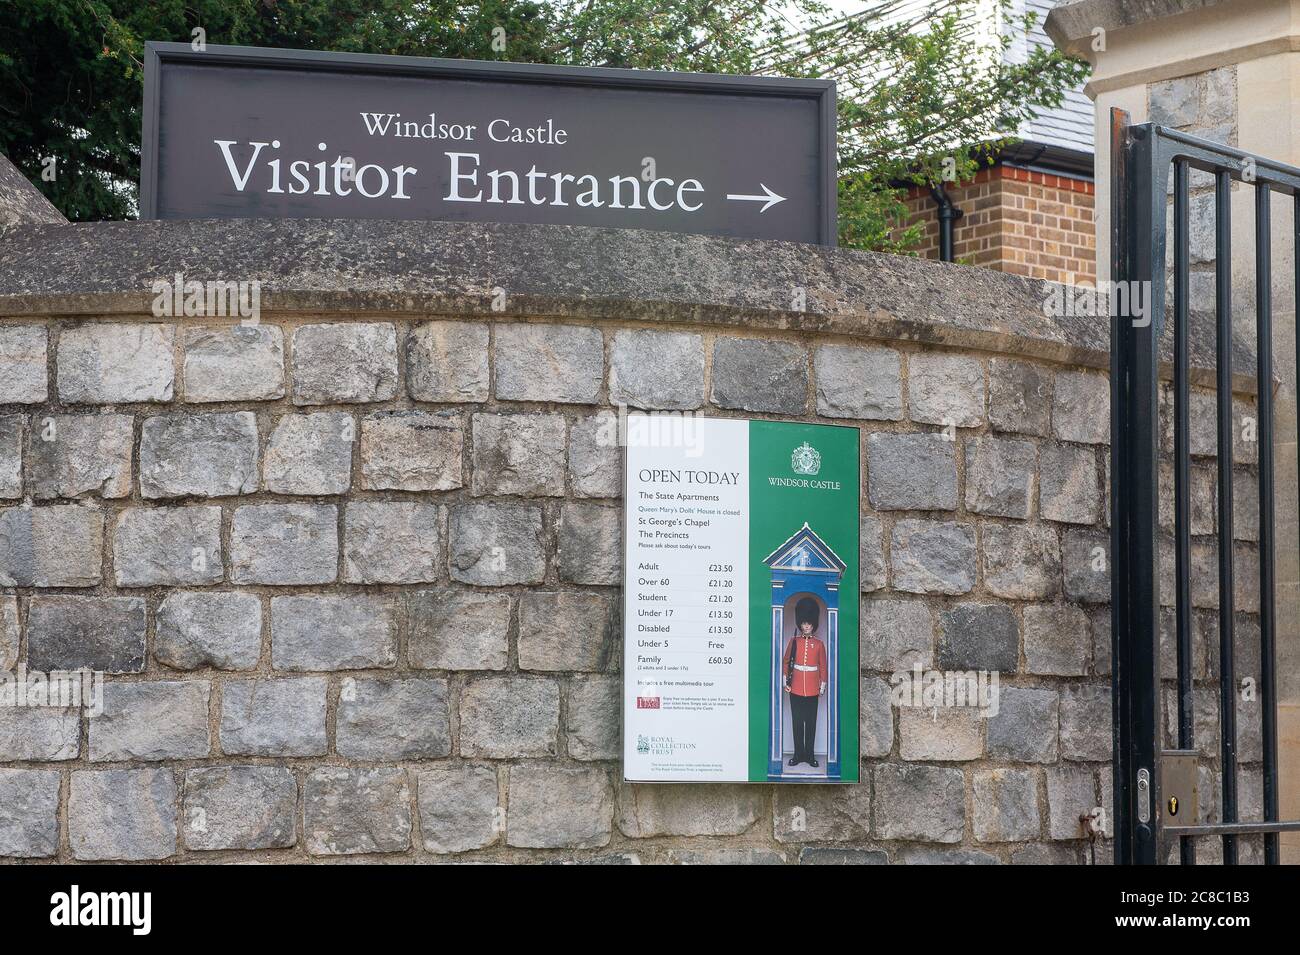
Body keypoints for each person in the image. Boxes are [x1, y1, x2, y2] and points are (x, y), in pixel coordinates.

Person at [782, 597, 827, 768]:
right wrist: (785, 681)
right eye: (804, 623)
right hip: (795, 688)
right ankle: (798, 754)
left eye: (809, 623)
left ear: (813, 624)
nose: (806, 626)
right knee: (797, 723)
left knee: (811, 724)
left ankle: (810, 755)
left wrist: (822, 684)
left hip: (812, 689)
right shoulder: (793, 642)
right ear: (800, 624)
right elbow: (786, 661)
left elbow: (823, 666)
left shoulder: (819, 644)